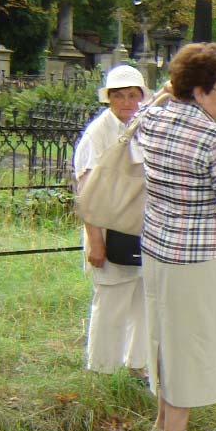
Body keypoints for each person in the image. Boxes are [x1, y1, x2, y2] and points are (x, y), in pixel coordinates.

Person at [137, 43, 216, 431]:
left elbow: (145, 111)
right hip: (199, 257)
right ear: (200, 92)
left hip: (155, 246)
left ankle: (161, 421)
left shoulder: (153, 116)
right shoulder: (214, 138)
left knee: (162, 335)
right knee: (189, 343)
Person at [73, 65, 151, 378]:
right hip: (108, 230)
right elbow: (87, 193)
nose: (127, 102)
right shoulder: (98, 133)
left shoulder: (146, 127)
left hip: (141, 228)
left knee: (144, 301)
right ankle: (102, 370)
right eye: (119, 96)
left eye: (133, 95)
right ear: (109, 99)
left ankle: (138, 365)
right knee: (111, 303)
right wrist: (95, 241)